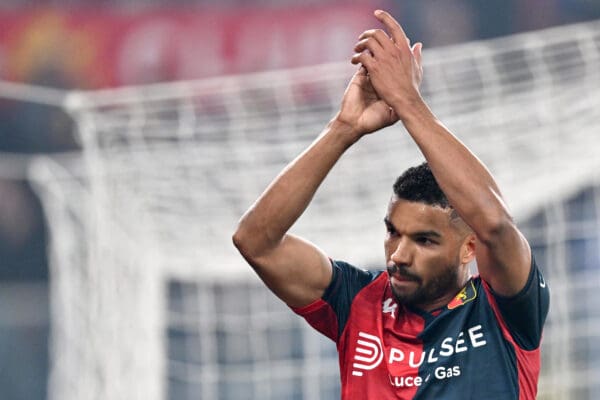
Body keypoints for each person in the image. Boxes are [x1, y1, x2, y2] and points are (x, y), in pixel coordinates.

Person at [233, 9, 549, 400]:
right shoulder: (358, 301)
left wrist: (408, 102)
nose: (399, 255)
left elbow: (496, 225)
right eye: (393, 232)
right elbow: (255, 242)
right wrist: (343, 128)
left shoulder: (503, 308)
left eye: (424, 240)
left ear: (469, 247)